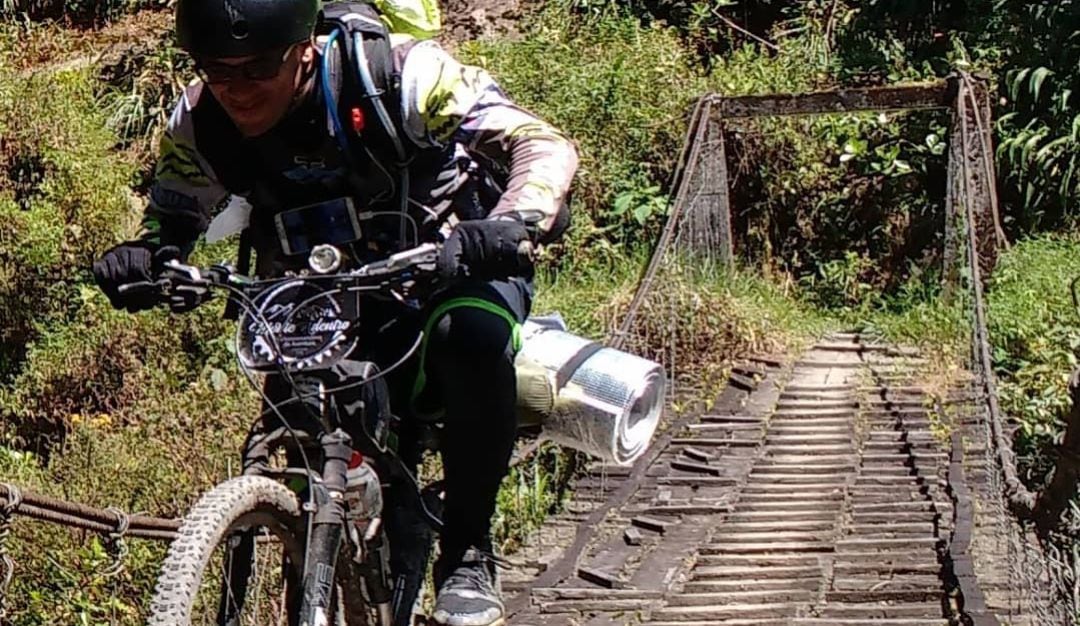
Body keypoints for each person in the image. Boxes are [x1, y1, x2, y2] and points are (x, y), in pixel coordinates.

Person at [90, 0, 578, 624]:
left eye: (258, 67)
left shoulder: (400, 75)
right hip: (317, 292)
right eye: (219, 69)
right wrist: (147, 256)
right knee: (289, 423)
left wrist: (512, 223)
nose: (238, 88)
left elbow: (539, 141)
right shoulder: (204, 116)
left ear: (303, 50)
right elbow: (175, 209)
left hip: (443, 266)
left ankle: (467, 553)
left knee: (472, 337)